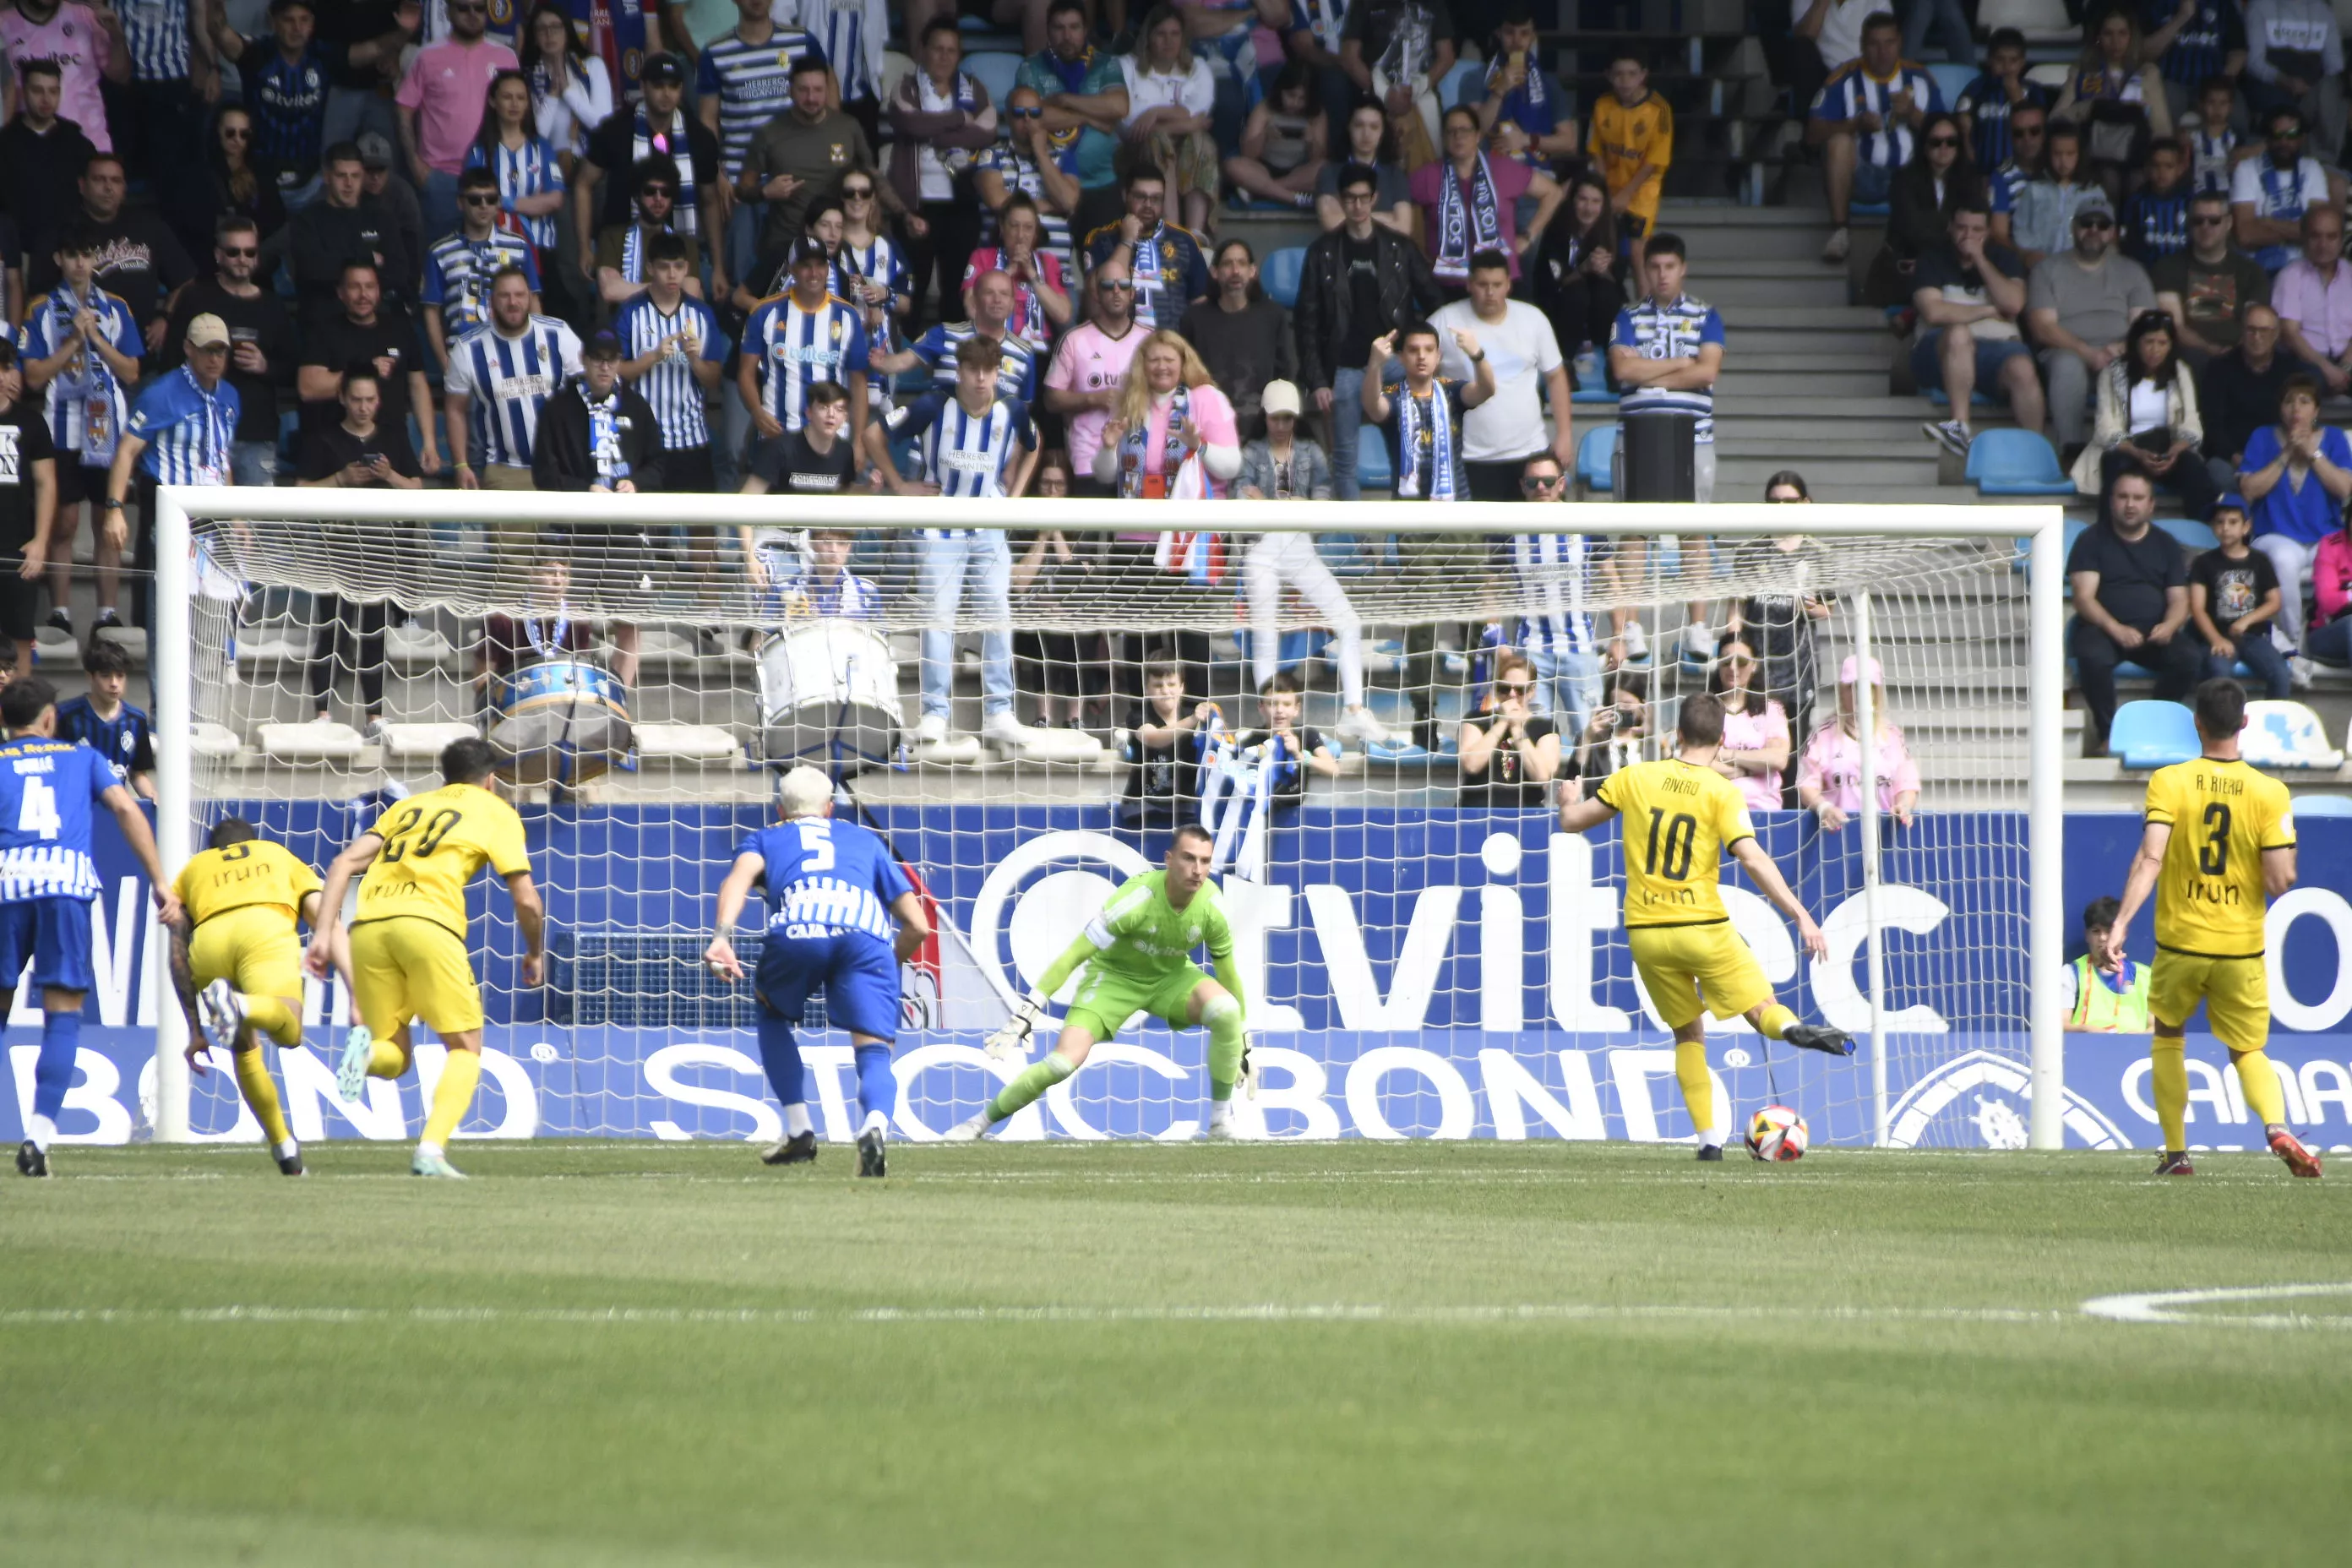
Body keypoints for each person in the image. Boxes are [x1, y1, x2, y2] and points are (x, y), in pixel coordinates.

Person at [1560, 690, 1853, 1162]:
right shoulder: (1721, 791)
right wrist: (1801, 915)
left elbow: (1573, 821)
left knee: (1688, 1035)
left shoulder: (1634, 777)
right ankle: (1793, 1029)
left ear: (1676, 734)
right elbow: (1752, 858)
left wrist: (1568, 797)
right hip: (1703, 924)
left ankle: (1708, 1141)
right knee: (1761, 1009)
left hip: (1648, 932)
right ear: (1720, 742)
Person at [2106, 676, 2318, 1178]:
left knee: (2168, 1035)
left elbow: (2151, 856)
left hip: (2180, 943)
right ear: (2243, 723)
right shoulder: (2270, 793)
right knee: (2247, 1049)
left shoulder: (2170, 781)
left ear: (2196, 723)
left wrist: (2121, 923)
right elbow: (2282, 880)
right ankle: (2275, 1125)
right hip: (2239, 949)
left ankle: (2177, 1154)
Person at [309, 736, 545, 1181]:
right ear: (491, 780)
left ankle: (361, 1059)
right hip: (428, 927)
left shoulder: (407, 808)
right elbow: (528, 901)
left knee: (394, 1056)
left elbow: (342, 864)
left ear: (445, 776)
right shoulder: (496, 811)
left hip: (369, 928)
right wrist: (534, 952)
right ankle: (431, 1150)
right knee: (465, 1047)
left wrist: (323, 935)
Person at [950, 824, 1251, 1142]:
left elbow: (1228, 973)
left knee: (1226, 1009)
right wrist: (1029, 1009)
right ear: (1169, 859)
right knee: (1061, 1064)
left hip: (1171, 978)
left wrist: (1243, 1035)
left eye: (1205, 861)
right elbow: (1073, 955)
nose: (1198, 870)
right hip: (1113, 980)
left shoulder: (1212, 906)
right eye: (1189, 859)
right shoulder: (1136, 899)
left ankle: (1220, 1122)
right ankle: (977, 1124)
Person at [703, 765, 928, 1175]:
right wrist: (885, 966)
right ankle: (875, 1126)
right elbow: (918, 925)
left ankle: (799, 1129)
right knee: (875, 1048)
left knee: (771, 1012)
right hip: (866, 937)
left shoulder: (765, 837)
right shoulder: (865, 839)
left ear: (779, 809)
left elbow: (737, 882)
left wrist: (722, 936)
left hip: (799, 927)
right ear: (829, 808)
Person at [2, 675, 178, 1178]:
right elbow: (126, 807)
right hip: (64, 885)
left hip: (6, 887)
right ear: (51, 719)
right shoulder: (81, 759)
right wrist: (160, 881)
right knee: (62, 1013)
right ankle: (37, 1139)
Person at [166, 819, 336, 1177]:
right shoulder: (276, 853)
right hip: (262, 929)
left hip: (209, 942)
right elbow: (320, 911)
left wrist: (195, 1029)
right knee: (289, 1032)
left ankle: (285, 1150)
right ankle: (241, 1004)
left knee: (244, 1049)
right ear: (252, 842)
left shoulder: (192, 871)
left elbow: (178, 954)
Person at [898, 335, 1037, 751]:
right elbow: (874, 433)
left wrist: (1013, 499)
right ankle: (934, 713)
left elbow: (1033, 445)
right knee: (939, 616)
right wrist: (900, 485)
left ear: (998, 371)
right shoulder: (931, 406)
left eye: (988, 370)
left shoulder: (1010, 409)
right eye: (973, 369)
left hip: (989, 521)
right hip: (940, 523)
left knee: (998, 613)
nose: (981, 378)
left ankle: (1000, 712)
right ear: (959, 371)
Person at [1237, 378, 1386, 745]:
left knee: (1348, 621)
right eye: (1276, 418)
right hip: (1262, 548)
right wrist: (1290, 505)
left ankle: (1354, 711)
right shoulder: (1252, 451)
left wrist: (1270, 504)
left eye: (1288, 418)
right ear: (1266, 417)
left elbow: (1320, 500)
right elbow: (1241, 495)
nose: (1282, 425)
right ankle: (1272, 719)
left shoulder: (1310, 451)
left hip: (1301, 547)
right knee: (1265, 633)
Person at [1295, 161, 1444, 500]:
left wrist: (1425, 354)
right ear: (1341, 200)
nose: (1358, 206)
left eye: (1364, 198)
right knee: (1344, 461)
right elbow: (1307, 320)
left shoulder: (1399, 247)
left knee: (1404, 458)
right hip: (1344, 366)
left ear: (1375, 198)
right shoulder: (1322, 251)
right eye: (1351, 199)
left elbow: (1435, 302)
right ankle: (1358, 547)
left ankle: (1396, 547)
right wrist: (1317, 379)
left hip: (1394, 363)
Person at [19, 226, 140, 637]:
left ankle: (107, 613)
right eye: (71, 255)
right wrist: (73, 339)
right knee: (66, 522)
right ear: (59, 259)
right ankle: (61, 613)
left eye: (86, 254)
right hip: (63, 427)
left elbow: (131, 371)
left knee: (108, 520)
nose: (79, 263)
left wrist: (96, 339)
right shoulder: (40, 308)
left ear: (95, 259)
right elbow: (33, 377)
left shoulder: (117, 307)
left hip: (107, 425)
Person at [297, 363, 421, 737]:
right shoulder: (324, 439)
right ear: (342, 398)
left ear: (379, 401)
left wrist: (389, 476)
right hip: (335, 549)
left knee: (373, 633)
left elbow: (418, 488)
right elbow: (299, 491)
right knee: (332, 631)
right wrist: (341, 480)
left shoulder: (394, 437)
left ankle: (374, 716)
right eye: (356, 400)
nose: (363, 407)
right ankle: (321, 714)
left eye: (370, 400)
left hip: (382, 549)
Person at [103, 310, 236, 634]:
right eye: (207, 350)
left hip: (213, 517)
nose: (214, 358)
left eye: (220, 351)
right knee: (163, 615)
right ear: (188, 348)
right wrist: (114, 509)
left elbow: (222, 458)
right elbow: (127, 450)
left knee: (211, 616)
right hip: (168, 511)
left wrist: (237, 516)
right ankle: (160, 683)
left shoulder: (230, 395)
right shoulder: (161, 393)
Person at [2067, 467, 2202, 749]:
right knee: (2092, 655)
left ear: (2151, 504)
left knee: (2188, 657)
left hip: (2154, 632)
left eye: (2138, 498)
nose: (2130, 504)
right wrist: (2116, 629)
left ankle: (2149, 726)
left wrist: (2170, 626)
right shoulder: (2091, 540)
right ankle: (2108, 734)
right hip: (2103, 629)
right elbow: (2084, 599)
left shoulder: (2165, 544)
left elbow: (2180, 599)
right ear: (2111, 500)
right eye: (2123, 497)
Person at [164, 215, 296, 492]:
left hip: (255, 431)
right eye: (233, 252)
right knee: (204, 526)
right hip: (201, 430)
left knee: (257, 529)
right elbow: (171, 360)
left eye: (250, 252)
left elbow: (292, 369)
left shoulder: (272, 305)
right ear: (218, 255)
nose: (242, 259)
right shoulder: (197, 297)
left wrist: (264, 366)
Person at [1432, 248, 1572, 499]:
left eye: (1497, 284)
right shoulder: (1444, 321)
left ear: (1508, 284)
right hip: (1467, 456)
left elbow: (1556, 375)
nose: (1490, 292)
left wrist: (1564, 434)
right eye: (1482, 284)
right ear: (1469, 284)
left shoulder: (1533, 320)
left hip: (1529, 451)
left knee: (1535, 534)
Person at [695, 0, 818, 289]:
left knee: (800, 271)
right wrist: (717, 172)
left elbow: (828, 105)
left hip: (796, 179)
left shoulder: (802, 41)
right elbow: (708, 121)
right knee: (744, 276)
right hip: (741, 185)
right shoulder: (715, 52)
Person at [1811, 12, 1944, 268]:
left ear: (1900, 42)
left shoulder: (1920, 78)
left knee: (1940, 153)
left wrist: (1913, 114)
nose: (1882, 52)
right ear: (1862, 46)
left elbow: (1947, 135)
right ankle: (1840, 232)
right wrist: (1854, 124)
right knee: (1839, 142)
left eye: (1889, 43)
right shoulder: (1843, 78)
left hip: (1910, 176)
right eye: (1874, 44)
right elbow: (1812, 134)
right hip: (1864, 177)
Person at [28, 151, 193, 357]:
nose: (108, 188)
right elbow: (38, 295)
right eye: (99, 180)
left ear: (124, 188)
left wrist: (165, 317)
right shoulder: (61, 230)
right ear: (82, 185)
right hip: (79, 357)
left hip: (140, 355)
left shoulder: (149, 226)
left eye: (116, 181)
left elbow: (185, 280)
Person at [2027, 198, 2158, 456]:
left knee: (2134, 366)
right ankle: (2071, 449)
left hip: (2119, 351)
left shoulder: (2132, 271)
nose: (2094, 230)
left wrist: (2119, 349)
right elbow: (2042, 327)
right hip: (2065, 351)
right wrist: (2087, 352)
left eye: (2102, 225)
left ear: (2112, 231)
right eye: (2087, 223)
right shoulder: (2047, 269)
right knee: (2068, 365)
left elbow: (2145, 325)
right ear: (2074, 227)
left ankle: (2132, 453)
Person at [1511, 449, 1628, 738]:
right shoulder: (1508, 527)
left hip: (1581, 650)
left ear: (1561, 484)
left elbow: (1612, 579)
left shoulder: (1584, 522)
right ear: (1522, 486)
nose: (1541, 488)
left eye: (1548, 482)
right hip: (1531, 652)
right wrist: (1494, 635)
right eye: (1533, 482)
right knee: (1533, 737)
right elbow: (1491, 582)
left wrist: (1618, 636)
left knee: (1593, 737)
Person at [2236, 373, 2352, 660]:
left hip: (2325, 536)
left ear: (2316, 410)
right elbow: (2249, 490)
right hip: (2275, 534)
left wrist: (2313, 453)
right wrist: (2286, 453)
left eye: (2304, 401)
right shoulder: (2262, 437)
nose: (2296, 409)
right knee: (2285, 561)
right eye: (2289, 402)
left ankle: (2332, 631)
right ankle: (2292, 644)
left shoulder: (2334, 439)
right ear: (2280, 408)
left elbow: (2344, 489)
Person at [889, 19, 995, 328]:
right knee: (913, 288)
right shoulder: (906, 86)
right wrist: (961, 118)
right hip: (916, 205)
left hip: (962, 204)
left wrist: (938, 134)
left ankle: (952, 359)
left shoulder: (973, 88)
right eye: (938, 49)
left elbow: (987, 131)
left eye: (952, 50)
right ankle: (907, 361)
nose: (945, 57)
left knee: (957, 290)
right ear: (923, 50)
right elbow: (911, 124)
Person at [1915, 202, 2044, 458]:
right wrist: (1987, 310)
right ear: (1950, 228)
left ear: (1987, 232)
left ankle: (2036, 451)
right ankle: (1960, 428)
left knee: (2022, 367)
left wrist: (1980, 259)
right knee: (1958, 334)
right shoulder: (1932, 257)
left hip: (1996, 352)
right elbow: (1934, 312)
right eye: (1962, 228)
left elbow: (2013, 304)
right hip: (1939, 352)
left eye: (1977, 230)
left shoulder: (2002, 258)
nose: (1968, 236)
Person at [741, 54, 897, 262]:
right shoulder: (769, 133)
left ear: (828, 90)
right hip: (786, 244)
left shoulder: (848, 127)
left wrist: (904, 214)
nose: (812, 98)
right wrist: (765, 191)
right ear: (790, 90)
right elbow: (742, 189)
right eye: (803, 90)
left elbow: (872, 178)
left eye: (818, 90)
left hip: (839, 244)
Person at [1610, 231, 1726, 507]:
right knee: (1633, 531)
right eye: (1655, 266)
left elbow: (1707, 373)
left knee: (1692, 532)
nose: (1663, 275)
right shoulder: (1628, 315)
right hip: (1635, 435)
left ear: (1683, 269)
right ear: (1646, 269)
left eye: (1670, 266)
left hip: (1695, 435)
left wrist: (1647, 377)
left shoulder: (1706, 315)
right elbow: (1623, 370)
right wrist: (1681, 362)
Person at [446, 265, 584, 495]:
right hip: (505, 472)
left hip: (563, 468)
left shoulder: (559, 334)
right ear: (491, 301)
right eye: (504, 295)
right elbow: (455, 410)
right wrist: (461, 464)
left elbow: (587, 393)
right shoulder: (468, 348)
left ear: (530, 297)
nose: (513, 302)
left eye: (519, 295)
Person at [743, 237, 872, 482]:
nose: (814, 273)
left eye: (820, 265)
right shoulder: (764, 312)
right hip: (778, 436)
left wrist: (858, 440)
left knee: (829, 517)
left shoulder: (847, 316)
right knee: (772, 516)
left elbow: (858, 382)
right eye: (805, 265)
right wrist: (757, 411)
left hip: (832, 441)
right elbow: (745, 373)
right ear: (791, 269)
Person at [297, 260, 438, 476]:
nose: (363, 294)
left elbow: (418, 386)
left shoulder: (400, 329)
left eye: (370, 286)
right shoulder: (324, 331)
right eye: (354, 287)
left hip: (392, 445)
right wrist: (365, 369)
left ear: (379, 290)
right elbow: (308, 387)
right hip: (336, 449)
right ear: (341, 292)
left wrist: (429, 442)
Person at [2072, 308, 2216, 516]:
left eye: (2162, 343)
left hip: (2167, 449)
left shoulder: (2180, 372)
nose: (2155, 350)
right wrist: (2136, 453)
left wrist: (2176, 450)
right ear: (2136, 342)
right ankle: (2108, 534)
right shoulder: (2113, 373)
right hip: (2128, 449)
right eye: (2149, 342)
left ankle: (2201, 533)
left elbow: (2192, 422)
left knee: (2194, 469)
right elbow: (2105, 427)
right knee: (2115, 465)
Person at [396, 0, 520, 240]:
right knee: (441, 257)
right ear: (449, 11)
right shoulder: (427, 56)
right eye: (463, 8)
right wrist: (415, 164)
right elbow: (403, 109)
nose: (472, 14)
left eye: (479, 8)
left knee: (496, 260)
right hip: (441, 178)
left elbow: (520, 113)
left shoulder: (506, 57)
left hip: (494, 176)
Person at [614, 232, 724, 493]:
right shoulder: (630, 311)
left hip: (691, 436)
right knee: (648, 528)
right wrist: (653, 356)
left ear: (687, 267)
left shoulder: (702, 313)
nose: (672, 275)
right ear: (650, 268)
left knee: (702, 524)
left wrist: (695, 359)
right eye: (664, 267)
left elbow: (714, 380)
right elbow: (616, 372)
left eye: (678, 267)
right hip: (644, 439)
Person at [1728, 480, 1832, 753]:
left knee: (1794, 748)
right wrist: (1734, 646)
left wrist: (1810, 608)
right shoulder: (1750, 551)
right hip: (1756, 664)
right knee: (1753, 742)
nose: (1782, 507)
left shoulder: (1819, 553)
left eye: (1790, 500)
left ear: (1805, 503)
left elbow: (1827, 609)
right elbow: (1736, 607)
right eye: (1775, 501)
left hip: (1799, 667)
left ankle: (1789, 797)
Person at [1412, 106, 1563, 293]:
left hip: (1499, 283)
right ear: (1443, 138)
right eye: (1451, 131)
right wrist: (1416, 255)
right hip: (1447, 285)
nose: (1458, 136)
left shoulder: (1504, 169)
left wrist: (1528, 237)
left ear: (1478, 136)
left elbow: (1553, 193)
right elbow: (1398, 206)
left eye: (1465, 130)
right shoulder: (1427, 176)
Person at [1017, 0, 1131, 242]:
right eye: (1059, 28)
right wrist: (1091, 115)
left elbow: (1119, 107)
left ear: (1086, 29)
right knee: (1054, 269)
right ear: (1048, 30)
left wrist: (1064, 99)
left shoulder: (1106, 63)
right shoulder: (1031, 67)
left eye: (1074, 27)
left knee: (1104, 269)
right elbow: (1033, 117)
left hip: (1100, 184)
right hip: (1050, 185)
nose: (1067, 35)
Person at [737, 380, 863, 593]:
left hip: (812, 537)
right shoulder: (780, 448)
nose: (831, 415)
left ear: (845, 417)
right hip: (772, 532)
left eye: (839, 409)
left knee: (833, 590)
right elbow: (744, 504)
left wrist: (869, 487)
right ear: (809, 413)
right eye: (824, 407)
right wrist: (749, 557)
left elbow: (843, 498)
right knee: (768, 590)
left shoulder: (844, 452)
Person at [425, 165, 543, 376]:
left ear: (498, 202)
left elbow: (533, 300)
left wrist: (536, 351)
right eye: (475, 199)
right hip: (463, 357)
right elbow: (431, 311)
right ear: (460, 203)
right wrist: (445, 364)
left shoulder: (519, 246)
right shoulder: (439, 251)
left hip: (513, 354)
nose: (483, 205)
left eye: (490, 199)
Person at [1094, 327, 1239, 498]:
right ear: (1142, 365)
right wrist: (1108, 448)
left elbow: (1231, 468)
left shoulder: (1206, 398)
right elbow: (1104, 476)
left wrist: (1199, 446)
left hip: (1194, 519)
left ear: (1183, 363)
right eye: (1154, 360)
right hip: (1138, 519)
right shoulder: (1128, 402)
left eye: (1169, 360)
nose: (1162, 366)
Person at [1364, 318, 1494, 502]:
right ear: (1401, 357)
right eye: (1413, 350)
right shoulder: (1393, 397)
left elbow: (1486, 390)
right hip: (1409, 510)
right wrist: (1375, 364)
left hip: (1455, 505)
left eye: (1429, 349)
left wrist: (1477, 355)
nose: (1422, 356)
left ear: (1438, 356)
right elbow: (1373, 407)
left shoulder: (1452, 390)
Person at [2053, 8, 2173, 204]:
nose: (2115, 41)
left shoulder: (2147, 73)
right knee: (2108, 178)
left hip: (2137, 154)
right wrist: (2088, 108)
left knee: (2140, 180)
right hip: (2095, 155)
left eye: (2122, 34)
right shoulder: (2083, 72)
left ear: (2131, 37)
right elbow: (2057, 118)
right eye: (2108, 34)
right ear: (2098, 37)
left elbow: (2162, 127)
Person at [1179, 239, 1297, 436]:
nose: (1235, 271)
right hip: (1208, 427)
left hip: (1261, 430)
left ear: (1252, 271)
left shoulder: (1273, 316)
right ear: (1215, 272)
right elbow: (1184, 376)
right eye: (1228, 264)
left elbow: (1284, 373)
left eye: (1242, 263)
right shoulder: (1193, 318)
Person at [1796, 655, 1921, 831]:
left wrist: (1904, 806)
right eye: (1852, 687)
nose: (1859, 694)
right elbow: (1807, 785)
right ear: (1841, 690)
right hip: (1837, 831)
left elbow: (1907, 784)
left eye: (1867, 687)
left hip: (1884, 831)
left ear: (1877, 691)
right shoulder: (1823, 735)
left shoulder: (1892, 735)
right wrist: (1825, 808)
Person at [279, 142, 400, 323]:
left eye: (356, 176)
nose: (349, 184)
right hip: (323, 323)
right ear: (327, 176)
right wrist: (368, 258)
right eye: (341, 176)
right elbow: (313, 271)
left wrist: (338, 263)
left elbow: (398, 272)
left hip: (375, 323)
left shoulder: (381, 218)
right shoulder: (307, 220)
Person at [2152, 189, 2273, 362]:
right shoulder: (2168, 267)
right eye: (2198, 221)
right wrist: (2210, 349)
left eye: (2214, 221)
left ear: (2229, 222)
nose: (2205, 227)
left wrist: (2232, 353)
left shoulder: (2252, 272)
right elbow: (2174, 327)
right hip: (2188, 356)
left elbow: (2254, 325)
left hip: (2240, 355)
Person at [1082, 168, 1209, 334]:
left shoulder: (1185, 241)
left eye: (1156, 199)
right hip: (1117, 345)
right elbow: (1094, 303)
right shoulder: (1101, 239)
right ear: (1125, 195)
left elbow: (1201, 304)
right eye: (1141, 197)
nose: (1148, 205)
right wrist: (1127, 241)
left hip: (1173, 346)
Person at [2190, 493, 2293, 696]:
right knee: (2219, 673)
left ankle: (2271, 722)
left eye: (2233, 522)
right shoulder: (2204, 563)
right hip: (2217, 635)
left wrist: (2246, 621)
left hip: (2253, 636)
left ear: (2246, 526)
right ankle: (2222, 724)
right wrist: (2216, 640)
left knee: (2280, 673)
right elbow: (2197, 608)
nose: (2225, 528)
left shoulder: (2260, 561)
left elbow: (2274, 602)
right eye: (2219, 522)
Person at [976, 85, 1083, 277]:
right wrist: (1050, 205)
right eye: (1019, 113)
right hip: (1001, 273)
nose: (1027, 120)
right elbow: (996, 200)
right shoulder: (992, 154)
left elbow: (1068, 200)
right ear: (1008, 117)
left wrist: (1041, 153)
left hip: (1056, 272)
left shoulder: (1062, 157)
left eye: (1034, 113)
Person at [466, 66, 566, 270]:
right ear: (493, 101)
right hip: (493, 248)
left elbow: (555, 199)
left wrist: (507, 203)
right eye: (507, 97)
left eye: (521, 98)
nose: (514, 104)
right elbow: (474, 201)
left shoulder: (542, 148)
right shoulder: (479, 151)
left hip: (541, 248)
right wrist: (532, 203)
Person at [0, 61, 100, 264]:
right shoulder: (5, 143)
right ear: (24, 90)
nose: (46, 99)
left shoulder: (76, 141)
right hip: (20, 255)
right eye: (38, 90)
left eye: (53, 91)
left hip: (71, 253)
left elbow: (93, 195)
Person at [1530, 174, 1625, 379]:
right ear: (1572, 201)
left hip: (1598, 308)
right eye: (1583, 199)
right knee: (1576, 293)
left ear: (1604, 204)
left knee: (1606, 291)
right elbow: (1552, 281)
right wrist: (1584, 268)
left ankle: (1613, 360)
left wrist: (1605, 269)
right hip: (1561, 303)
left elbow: (1619, 280)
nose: (1588, 208)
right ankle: (1564, 362)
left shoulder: (1614, 229)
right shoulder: (1557, 229)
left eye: (1595, 201)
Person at [0, 0, 125, 156]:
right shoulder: (3, 24)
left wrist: (117, 38)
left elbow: (120, 76)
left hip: (91, 144)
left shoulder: (85, 17)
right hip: (29, 150)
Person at [0, 340, 55, 683]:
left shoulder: (31, 422)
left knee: (21, 634)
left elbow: (47, 484)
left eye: (7, 367)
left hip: (18, 546)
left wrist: (41, 542)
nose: (7, 375)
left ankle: (18, 720)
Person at [1339, 0, 1454, 161]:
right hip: (1373, 94)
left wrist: (1418, 87)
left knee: (1429, 164)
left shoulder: (1434, 4)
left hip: (1421, 96)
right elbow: (1349, 57)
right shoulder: (1363, 3)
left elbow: (1447, 57)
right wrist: (1384, 93)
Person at [2198, 302, 2295, 489]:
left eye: (2264, 331)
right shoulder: (2218, 368)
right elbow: (2212, 426)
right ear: (2242, 332)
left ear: (2276, 334)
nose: (2257, 337)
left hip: (2277, 455)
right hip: (2230, 456)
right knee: (2219, 475)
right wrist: (2236, 456)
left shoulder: (2289, 370)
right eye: (2251, 330)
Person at [1476, 6, 1579, 172]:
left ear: (1533, 37)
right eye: (1510, 33)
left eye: (1524, 33)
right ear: (1498, 34)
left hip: (1536, 173)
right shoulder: (1478, 76)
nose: (1517, 41)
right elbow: (1475, 131)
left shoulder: (1549, 82)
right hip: (1490, 172)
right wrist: (1499, 91)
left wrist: (1526, 140)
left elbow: (1569, 143)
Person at [2241, 0, 2344, 163]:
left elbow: (2335, 64)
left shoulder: (2323, 12)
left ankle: (2326, 163)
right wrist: (2285, 81)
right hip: (2273, 86)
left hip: (2312, 89)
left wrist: (2317, 89)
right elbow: (2254, 62)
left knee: (2333, 96)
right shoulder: (2260, 7)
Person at [2230, 105, 2330, 272]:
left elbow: (2319, 231)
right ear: (2267, 139)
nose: (2284, 142)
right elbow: (2245, 235)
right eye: (2277, 135)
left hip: (2307, 268)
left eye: (2291, 135)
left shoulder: (2312, 168)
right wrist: (2299, 231)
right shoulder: (2247, 169)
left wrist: (2267, 222)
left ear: (2301, 139)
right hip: (2257, 269)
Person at [1458, 649, 1562, 808]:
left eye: (1520, 690)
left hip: (1525, 811)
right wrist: (1502, 723)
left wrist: (1517, 730)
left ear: (1532, 691)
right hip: (1477, 809)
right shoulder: (1475, 719)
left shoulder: (1546, 727)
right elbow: (1471, 764)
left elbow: (1541, 775)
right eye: (1505, 689)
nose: (1512, 695)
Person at [594, 155, 700, 308]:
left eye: (665, 192)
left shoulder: (685, 242)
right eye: (650, 191)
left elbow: (690, 294)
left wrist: (631, 289)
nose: (658, 198)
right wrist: (668, 288)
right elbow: (611, 290)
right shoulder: (612, 235)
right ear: (637, 195)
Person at [965, 195, 1068, 350]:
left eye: (1028, 228)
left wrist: (1032, 273)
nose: (1021, 236)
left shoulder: (1048, 261)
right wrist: (1010, 270)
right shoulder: (982, 257)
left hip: (1037, 349)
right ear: (1002, 227)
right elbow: (971, 310)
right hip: (992, 347)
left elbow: (1063, 315)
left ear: (1036, 233)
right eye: (1014, 226)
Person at [1224, 57, 1326, 212]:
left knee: (1324, 169)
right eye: (1291, 96)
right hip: (1264, 169)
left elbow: (1318, 159)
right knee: (1233, 165)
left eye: (1302, 98)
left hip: (1298, 172)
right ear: (1281, 90)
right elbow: (1247, 154)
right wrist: (1264, 136)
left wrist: (1312, 141)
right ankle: (1292, 198)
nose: (1296, 103)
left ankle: (1262, 192)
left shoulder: (1317, 115)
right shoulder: (1264, 108)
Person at [1886, 111, 1981, 273]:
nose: (1944, 147)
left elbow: (1977, 226)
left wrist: (1939, 223)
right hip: (1908, 265)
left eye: (1951, 142)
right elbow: (1911, 229)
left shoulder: (1971, 179)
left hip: (1955, 264)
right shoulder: (1903, 178)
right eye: (1936, 142)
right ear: (1924, 145)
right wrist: (1951, 226)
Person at [57, 636, 151, 795]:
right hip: (77, 809)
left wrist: (154, 799)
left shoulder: (136, 720)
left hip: (115, 812)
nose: (114, 683)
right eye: (106, 675)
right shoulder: (65, 715)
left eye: (120, 675)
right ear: (90, 677)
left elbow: (138, 774)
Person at [2271, 204, 2352, 388]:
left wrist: (2346, 368)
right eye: (2316, 236)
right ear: (2304, 238)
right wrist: (2327, 369)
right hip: (2307, 361)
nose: (2323, 245)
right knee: (2309, 379)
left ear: (2341, 240)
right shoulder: (2290, 276)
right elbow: (2290, 334)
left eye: (2331, 237)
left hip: (2347, 359)